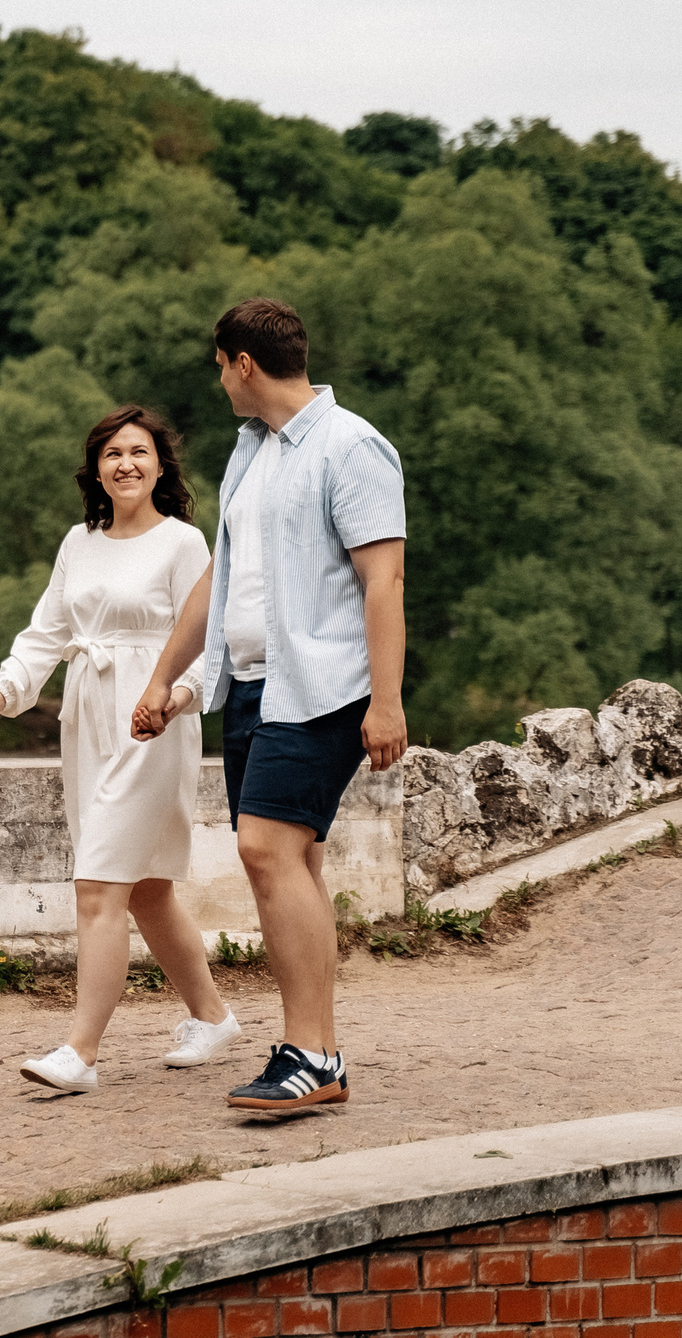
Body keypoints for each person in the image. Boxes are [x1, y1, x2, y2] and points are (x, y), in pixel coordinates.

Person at [137, 296, 405, 1114]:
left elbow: (383, 578)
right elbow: (219, 578)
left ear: (243, 362)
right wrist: (164, 675)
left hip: (322, 687)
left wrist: (387, 700)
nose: (219, 382)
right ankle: (316, 1050)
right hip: (251, 685)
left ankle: (309, 1053)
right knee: (291, 864)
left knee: (264, 850)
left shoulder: (352, 446)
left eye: (220, 366)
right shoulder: (249, 454)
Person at [0, 405, 240, 1095]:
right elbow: (46, 632)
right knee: (146, 887)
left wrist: (177, 696)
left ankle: (80, 1052)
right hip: (85, 714)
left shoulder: (184, 543)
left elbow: (208, 638)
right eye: (112, 453)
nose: (126, 463)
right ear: (96, 468)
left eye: (139, 451)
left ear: (160, 464)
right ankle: (212, 1016)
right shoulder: (79, 540)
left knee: (99, 883)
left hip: (149, 717)